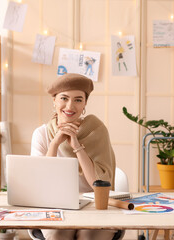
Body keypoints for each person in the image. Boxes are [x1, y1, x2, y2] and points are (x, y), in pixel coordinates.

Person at [30, 73, 119, 240]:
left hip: (94, 207)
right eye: (64, 98)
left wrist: (77, 147)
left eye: (78, 99)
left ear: (85, 103)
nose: (70, 106)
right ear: (54, 101)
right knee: (58, 235)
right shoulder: (41, 134)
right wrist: (55, 144)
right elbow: (40, 184)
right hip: (54, 208)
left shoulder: (97, 130)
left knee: (88, 236)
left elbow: (98, 185)